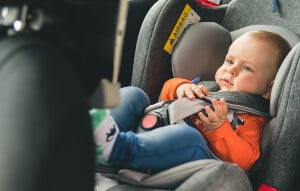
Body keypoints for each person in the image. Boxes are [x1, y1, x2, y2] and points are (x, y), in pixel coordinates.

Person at [91, 30, 291, 172]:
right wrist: (181, 88)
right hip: (159, 127)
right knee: (135, 94)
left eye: (246, 68)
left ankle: (119, 149)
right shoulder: (207, 87)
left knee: (189, 138)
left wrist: (219, 128)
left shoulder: (253, 117)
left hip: (198, 160)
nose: (231, 70)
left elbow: (245, 161)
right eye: (229, 61)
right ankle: (97, 134)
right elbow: (165, 96)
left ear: (269, 89)